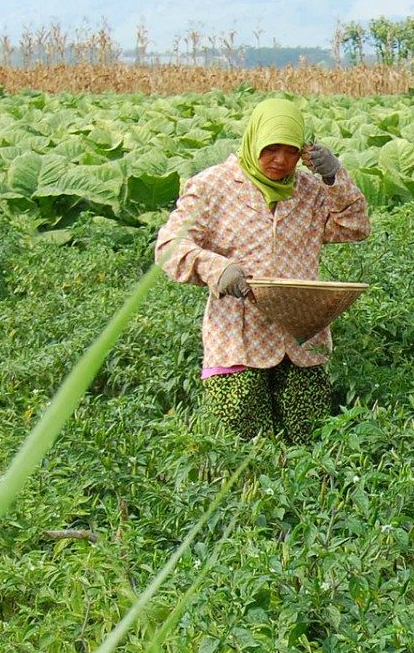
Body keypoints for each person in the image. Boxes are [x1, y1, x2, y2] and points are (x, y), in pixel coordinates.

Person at [155, 97, 371, 442]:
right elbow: (168, 248)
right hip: (237, 339)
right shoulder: (213, 187)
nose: (281, 161)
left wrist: (334, 176)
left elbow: (355, 226)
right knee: (243, 446)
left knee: (309, 442)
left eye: (290, 151)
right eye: (271, 149)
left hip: (301, 340)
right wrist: (216, 269)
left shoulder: (310, 191)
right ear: (254, 140)